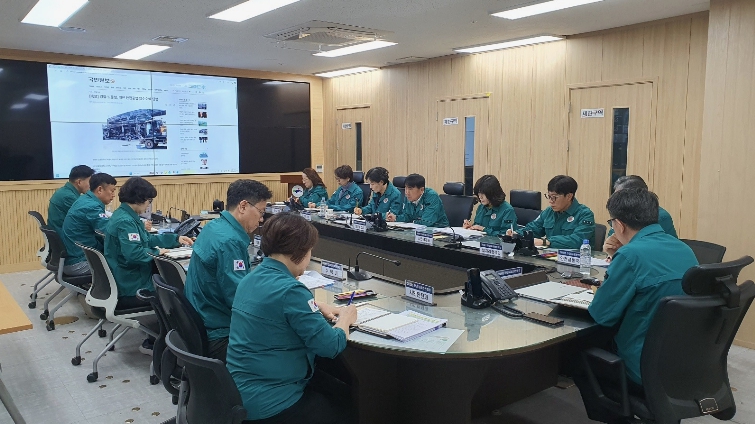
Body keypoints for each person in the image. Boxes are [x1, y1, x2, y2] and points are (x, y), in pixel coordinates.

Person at [574, 188, 698, 423]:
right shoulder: (684, 249)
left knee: (572, 354)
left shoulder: (631, 255)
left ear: (619, 225)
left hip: (641, 364)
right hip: (681, 359)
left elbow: (602, 315)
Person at [227, 213, 357, 424]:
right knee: (347, 402)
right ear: (300, 251)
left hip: (239, 392)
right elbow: (330, 346)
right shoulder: (291, 291)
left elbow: (274, 308)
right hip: (272, 402)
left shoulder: (250, 278)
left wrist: (315, 306)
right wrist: (345, 318)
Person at [184, 179, 272, 362]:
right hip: (220, 334)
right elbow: (241, 300)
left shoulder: (214, 227)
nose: (261, 219)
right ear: (243, 206)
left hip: (200, 325)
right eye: (261, 211)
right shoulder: (230, 242)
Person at [104, 177, 193, 354]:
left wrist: (175, 240)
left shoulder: (126, 216)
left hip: (127, 276)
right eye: (149, 201)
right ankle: (156, 342)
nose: (148, 205)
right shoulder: (126, 222)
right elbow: (134, 254)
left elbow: (146, 240)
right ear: (139, 199)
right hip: (131, 283)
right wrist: (157, 252)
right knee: (176, 294)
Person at [506, 175, 595, 249]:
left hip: (576, 260)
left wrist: (546, 242)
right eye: (549, 196)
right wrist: (517, 234)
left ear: (569, 196)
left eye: (554, 197)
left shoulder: (585, 214)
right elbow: (534, 228)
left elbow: (578, 240)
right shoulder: (549, 211)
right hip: (550, 258)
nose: (550, 201)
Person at [603, 175, 678, 259]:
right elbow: (613, 241)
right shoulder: (621, 215)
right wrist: (612, 251)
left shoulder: (658, 216)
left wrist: (619, 254)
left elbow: (644, 253)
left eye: (620, 197)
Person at [61, 173, 117, 275]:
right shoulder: (92, 207)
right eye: (112, 191)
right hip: (79, 262)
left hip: (74, 257)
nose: (113, 195)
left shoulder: (85, 199)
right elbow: (110, 232)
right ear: (100, 189)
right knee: (124, 265)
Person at [48, 165, 95, 234]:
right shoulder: (69, 196)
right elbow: (86, 218)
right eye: (89, 182)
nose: (91, 185)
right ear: (79, 182)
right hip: (64, 235)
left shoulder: (66, 191)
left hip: (61, 231)